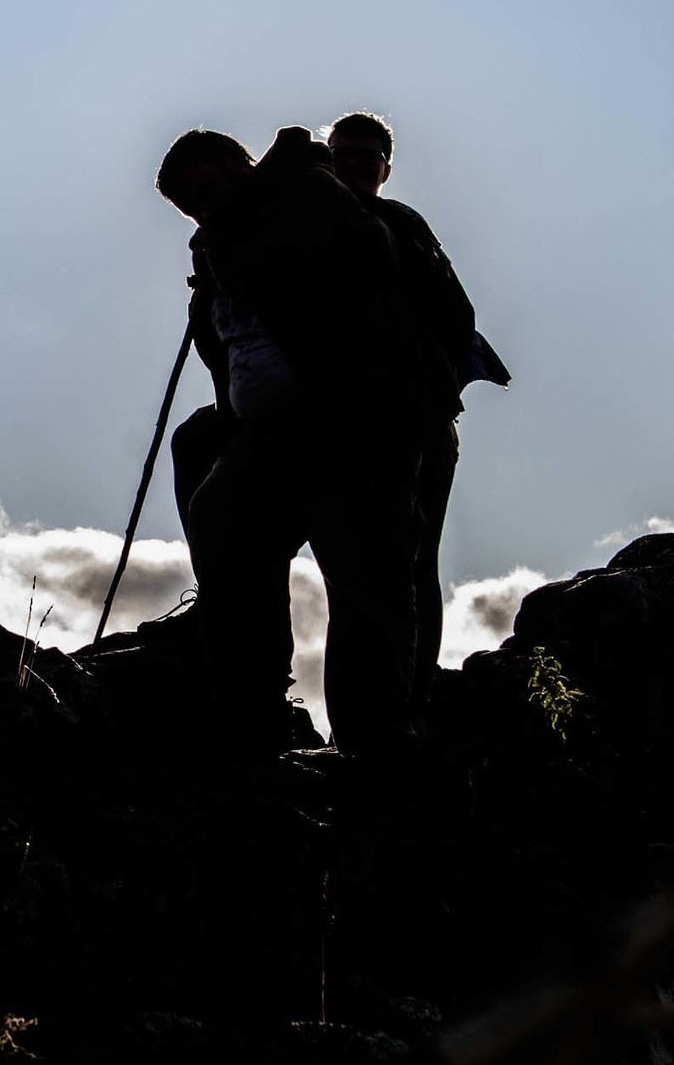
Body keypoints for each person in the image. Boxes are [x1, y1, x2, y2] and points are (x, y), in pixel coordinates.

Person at [157, 126, 424, 757]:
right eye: (190, 206)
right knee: (227, 521)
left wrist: (238, 243)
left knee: (364, 575)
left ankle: (371, 743)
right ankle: (258, 716)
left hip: (349, 418)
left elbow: (363, 262)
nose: (203, 208)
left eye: (207, 190)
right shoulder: (227, 236)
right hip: (280, 428)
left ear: (236, 165)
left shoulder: (304, 192)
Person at [323, 111, 511, 699]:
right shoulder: (310, 222)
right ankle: (378, 706)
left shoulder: (401, 224)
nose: (351, 163)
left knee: (410, 557)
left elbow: (458, 317)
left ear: (386, 166)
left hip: (417, 416)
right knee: (357, 566)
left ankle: (412, 694)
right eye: (341, 152)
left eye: (364, 154)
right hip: (339, 418)